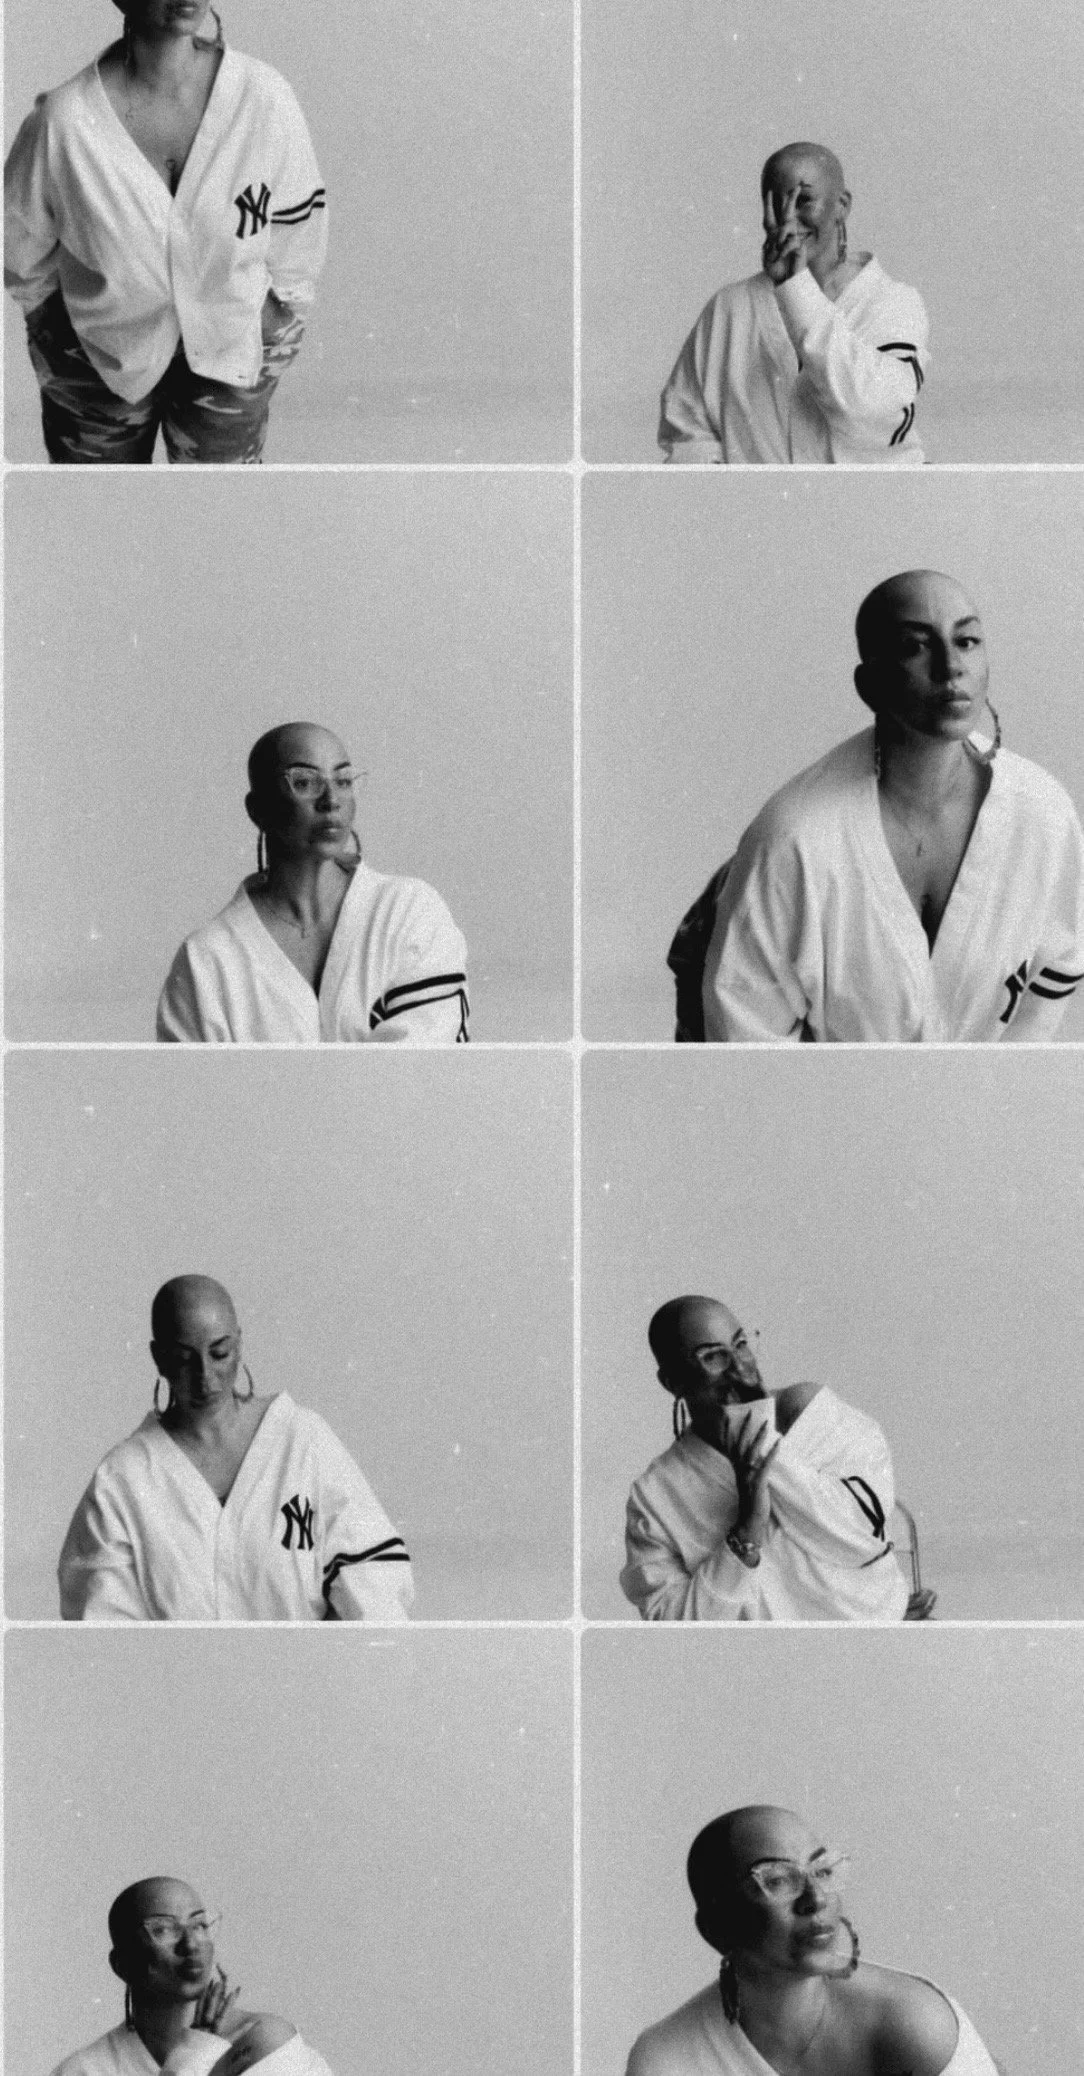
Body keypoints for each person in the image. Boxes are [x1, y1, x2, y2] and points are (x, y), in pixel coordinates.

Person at [694, 570, 1084, 1042]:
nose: (950, 667)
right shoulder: (795, 839)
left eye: (966, 641)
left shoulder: (1043, 814)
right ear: (869, 685)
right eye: (915, 646)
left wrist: (996, 1078)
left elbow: (1057, 968)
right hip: (825, 1091)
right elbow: (745, 1043)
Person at [5, 1, 327, 463]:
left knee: (219, 506)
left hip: (232, 353)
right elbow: (19, 248)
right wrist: (60, 342)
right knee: (100, 505)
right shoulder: (65, 120)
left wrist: (280, 326)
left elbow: (299, 231)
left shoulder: (262, 97)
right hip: (99, 361)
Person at [58, 1275, 415, 1622]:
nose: (205, 1376)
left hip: (307, 1664)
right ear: (159, 1357)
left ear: (239, 1345)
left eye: (220, 1353)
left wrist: (316, 1653)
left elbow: (376, 1585)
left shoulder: (302, 1442)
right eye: (184, 1358)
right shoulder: (121, 1481)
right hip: (174, 1667)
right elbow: (105, 1635)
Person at [620, 1295, 935, 1623]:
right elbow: (674, 1627)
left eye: (741, 1344)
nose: (740, 1369)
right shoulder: (654, 1495)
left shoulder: (807, 1411)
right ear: (673, 1382)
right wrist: (746, 1531)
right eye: (712, 1357)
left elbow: (860, 1537)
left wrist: (765, 1449)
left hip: (875, 1632)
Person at [626, 1806, 1002, 2074]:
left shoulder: (912, 2023)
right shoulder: (668, 2060)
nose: (816, 1898)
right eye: (777, 1880)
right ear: (716, 1928)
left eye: (821, 1871)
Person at [156, 723, 470, 1044]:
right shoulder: (206, 960)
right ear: (258, 809)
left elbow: (422, 1067)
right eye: (304, 782)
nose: (331, 800)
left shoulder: (408, 913)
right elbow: (191, 1078)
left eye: (343, 780)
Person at [659, 143, 928, 464]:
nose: (788, 218)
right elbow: (688, 429)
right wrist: (727, 488)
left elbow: (872, 408)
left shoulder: (892, 302)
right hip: (758, 497)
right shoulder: (728, 308)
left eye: (803, 201)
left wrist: (795, 288)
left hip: (870, 495)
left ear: (842, 205)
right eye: (776, 202)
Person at [50, 1876, 335, 2073]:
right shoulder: (84, 2070)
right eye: (163, 1929)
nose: (191, 1944)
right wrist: (193, 2060)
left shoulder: (262, 2042)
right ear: (121, 1964)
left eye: (199, 1925)